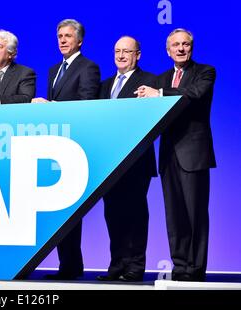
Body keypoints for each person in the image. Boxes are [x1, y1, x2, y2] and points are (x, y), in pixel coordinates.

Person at [136, 28, 216, 282]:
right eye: (175, 45)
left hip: (194, 154)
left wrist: (158, 95)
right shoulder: (161, 78)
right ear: (167, 50)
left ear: (191, 47)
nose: (181, 49)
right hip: (168, 156)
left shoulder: (205, 72)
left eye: (185, 44)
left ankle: (196, 268)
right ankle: (180, 266)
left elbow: (194, 95)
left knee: (195, 214)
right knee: (175, 215)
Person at [34, 19, 101, 280]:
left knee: (72, 209)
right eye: (59, 36)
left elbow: (86, 107)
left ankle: (73, 267)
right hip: (55, 146)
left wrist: (52, 107)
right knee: (59, 208)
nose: (62, 40)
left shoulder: (89, 67)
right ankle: (67, 265)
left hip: (76, 146)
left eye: (68, 36)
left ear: (79, 41)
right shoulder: (53, 70)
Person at [96, 36, 157, 282]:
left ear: (138, 55)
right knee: (112, 214)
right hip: (109, 162)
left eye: (127, 51)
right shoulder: (104, 85)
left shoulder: (149, 81)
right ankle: (116, 266)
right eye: (117, 51)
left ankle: (134, 267)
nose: (121, 55)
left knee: (135, 214)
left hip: (136, 162)